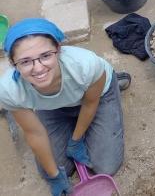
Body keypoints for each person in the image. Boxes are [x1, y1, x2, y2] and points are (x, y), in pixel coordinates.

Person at [0, 18, 131, 196]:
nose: (38, 68)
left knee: (106, 166)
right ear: (13, 63)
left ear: (58, 50)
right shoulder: (9, 90)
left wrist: (76, 140)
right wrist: (55, 176)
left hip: (92, 96)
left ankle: (115, 78)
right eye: (25, 62)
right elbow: (34, 133)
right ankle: (68, 130)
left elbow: (90, 103)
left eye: (45, 56)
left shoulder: (85, 65)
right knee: (49, 170)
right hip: (52, 106)